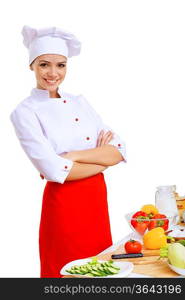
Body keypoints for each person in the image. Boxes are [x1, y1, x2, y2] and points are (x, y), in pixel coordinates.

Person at [10, 25, 126, 278]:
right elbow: (54, 170)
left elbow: (118, 150)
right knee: (65, 274)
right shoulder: (25, 112)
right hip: (64, 205)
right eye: (44, 64)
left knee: (100, 270)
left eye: (60, 65)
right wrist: (101, 160)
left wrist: (73, 156)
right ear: (31, 65)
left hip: (96, 201)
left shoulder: (79, 102)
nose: (53, 73)